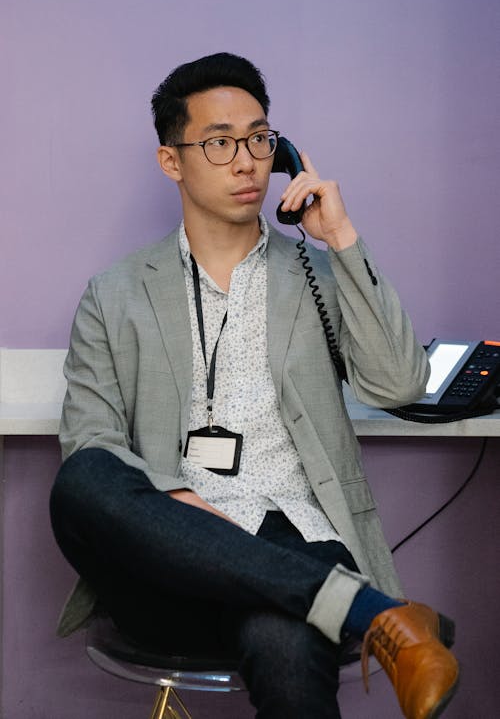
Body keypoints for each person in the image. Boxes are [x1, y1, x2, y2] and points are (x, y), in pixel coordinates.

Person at [50, 52, 459, 719]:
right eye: (219, 142)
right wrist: (176, 502)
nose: (247, 161)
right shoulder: (116, 292)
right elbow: (90, 440)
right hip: (168, 561)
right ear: (171, 161)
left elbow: (400, 383)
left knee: (285, 641)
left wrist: (343, 241)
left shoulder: (316, 273)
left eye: (261, 139)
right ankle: (377, 616)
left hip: (296, 539)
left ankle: (339, 604)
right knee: (85, 477)